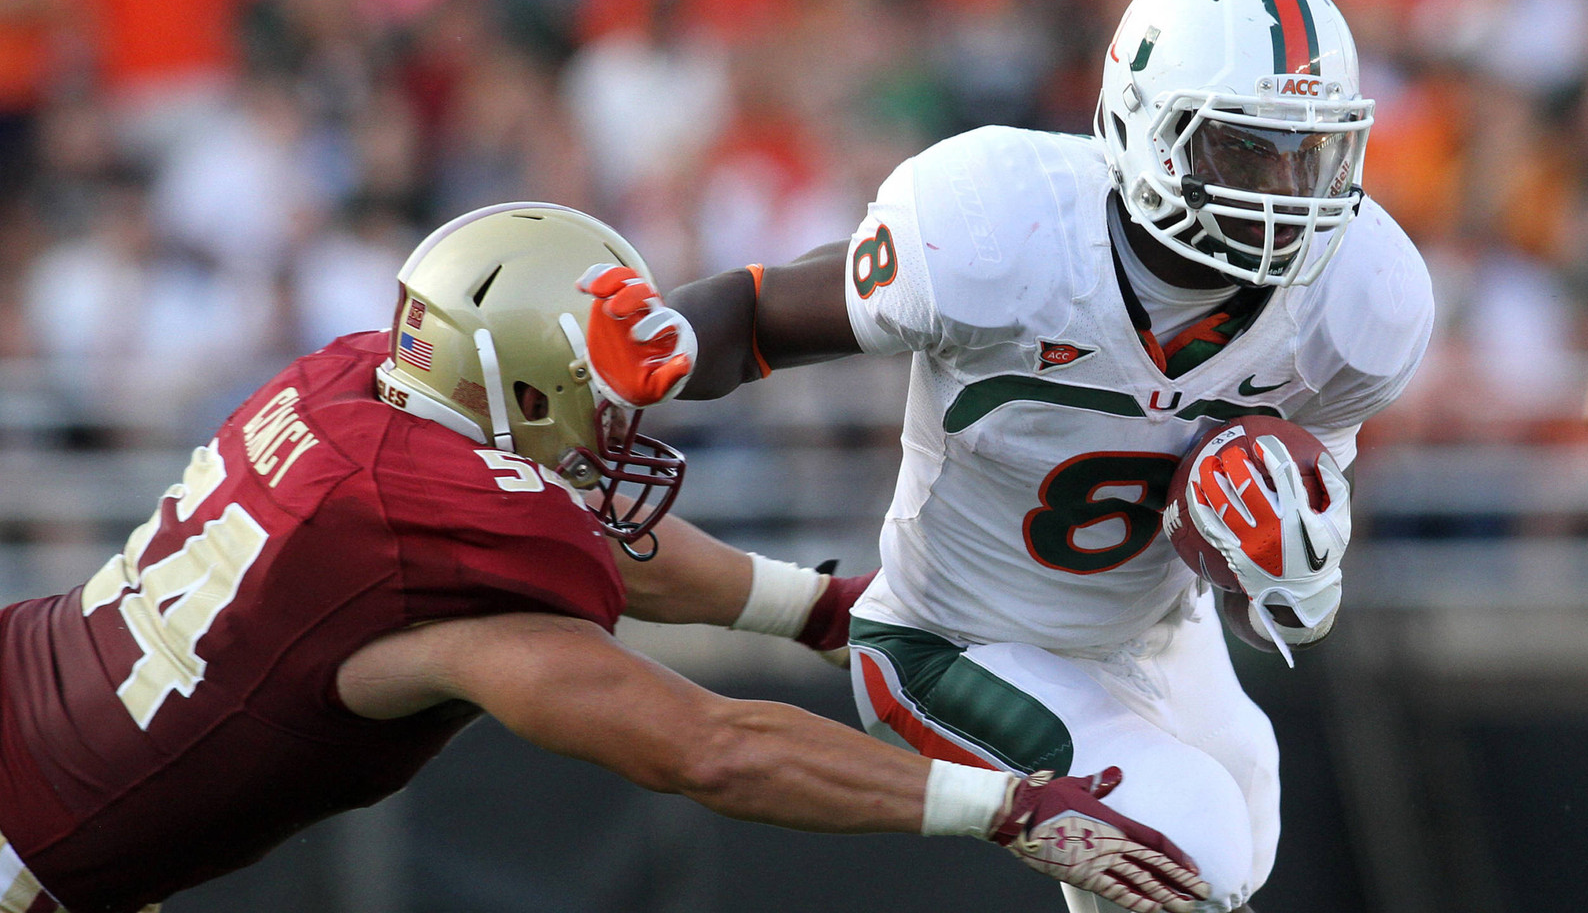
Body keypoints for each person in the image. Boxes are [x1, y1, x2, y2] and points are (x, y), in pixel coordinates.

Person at [0, 202, 1209, 913]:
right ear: (510, 381)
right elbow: (708, 746)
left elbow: (578, 540)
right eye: (585, 388)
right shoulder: (436, 553)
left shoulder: (360, 386)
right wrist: (1002, 806)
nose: (614, 417)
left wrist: (824, 610)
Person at [580, 0, 1435, 912]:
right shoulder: (1002, 225)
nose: (1281, 193)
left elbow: (1268, 570)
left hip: (1154, 626)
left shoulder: (1362, 299)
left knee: (1241, 809)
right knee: (1196, 844)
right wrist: (666, 341)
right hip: (958, 637)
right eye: (1245, 151)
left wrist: (1287, 575)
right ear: (1141, 126)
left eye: (1306, 154)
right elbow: (769, 316)